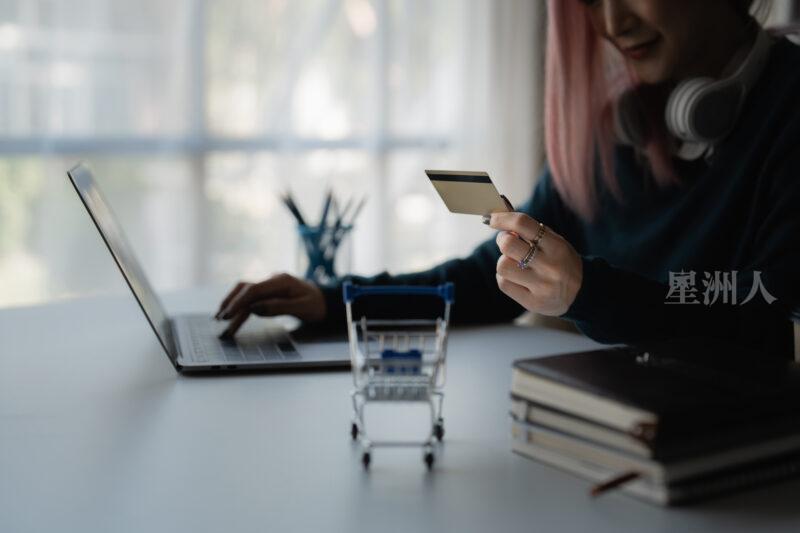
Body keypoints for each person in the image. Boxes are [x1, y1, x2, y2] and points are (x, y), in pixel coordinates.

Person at [216, 0, 800, 360]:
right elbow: (485, 278)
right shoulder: (615, 131)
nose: (612, 22)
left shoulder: (789, 110)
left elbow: (765, 318)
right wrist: (335, 299)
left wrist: (587, 293)